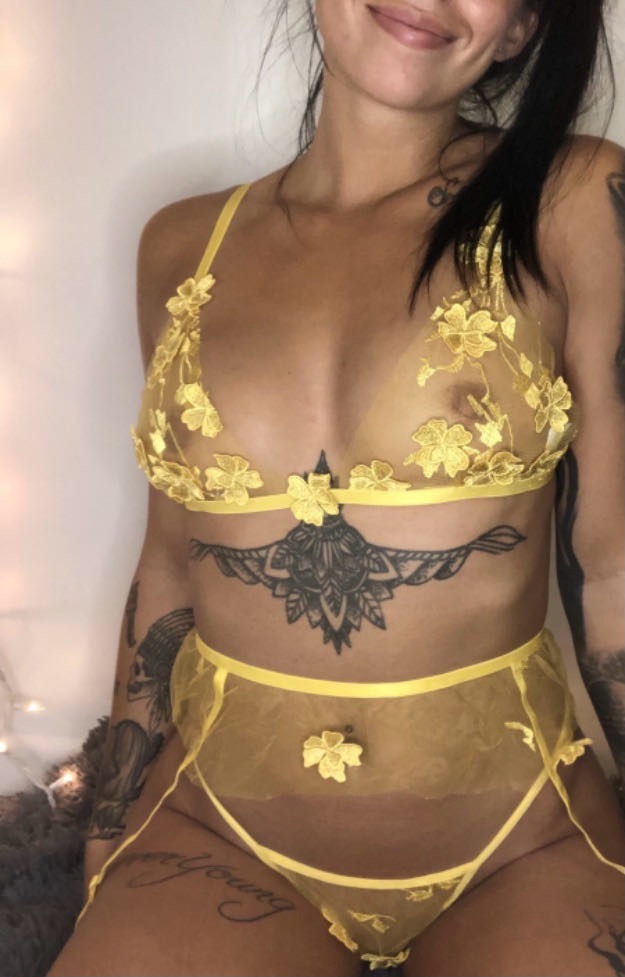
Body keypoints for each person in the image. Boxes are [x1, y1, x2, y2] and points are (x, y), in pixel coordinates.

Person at [49, 1, 625, 974]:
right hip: (219, 834)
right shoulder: (180, 243)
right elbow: (170, 565)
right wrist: (110, 827)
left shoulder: (573, 201)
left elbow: (611, 563)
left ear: (521, 29)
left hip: (520, 842)